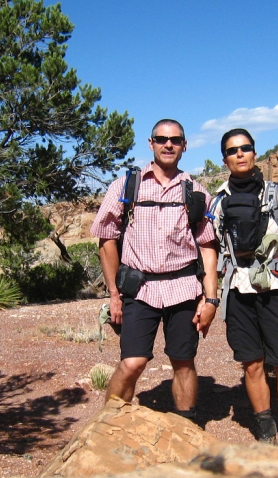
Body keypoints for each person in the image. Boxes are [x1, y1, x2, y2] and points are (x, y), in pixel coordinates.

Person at [91, 119, 219, 420]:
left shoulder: (196, 192)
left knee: (183, 361)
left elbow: (208, 246)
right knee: (132, 362)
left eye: (175, 140)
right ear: (151, 144)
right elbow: (106, 238)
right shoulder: (126, 186)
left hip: (184, 288)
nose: (168, 145)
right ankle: (107, 426)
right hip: (140, 289)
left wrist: (211, 299)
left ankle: (186, 427)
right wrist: (114, 294)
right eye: (161, 139)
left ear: (184, 146)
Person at [209, 128, 278, 450]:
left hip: (276, 290)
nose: (240, 154)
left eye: (245, 148)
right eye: (233, 150)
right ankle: (265, 431)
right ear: (224, 158)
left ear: (254, 153)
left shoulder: (277, 195)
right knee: (251, 363)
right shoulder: (218, 201)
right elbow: (210, 249)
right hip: (237, 292)